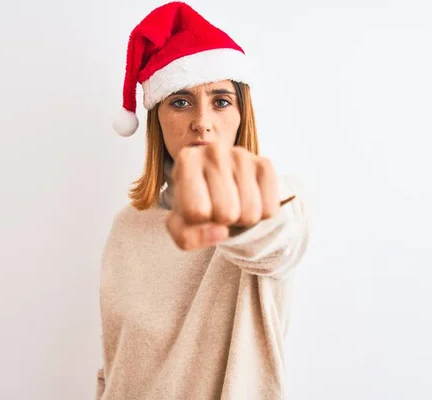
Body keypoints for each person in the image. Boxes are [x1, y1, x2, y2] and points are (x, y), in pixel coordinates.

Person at [97, 2, 311, 399]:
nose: (202, 121)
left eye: (221, 100)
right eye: (180, 102)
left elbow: (272, 240)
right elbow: (115, 363)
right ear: (158, 119)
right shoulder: (128, 225)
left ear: (241, 115)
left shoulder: (279, 202)